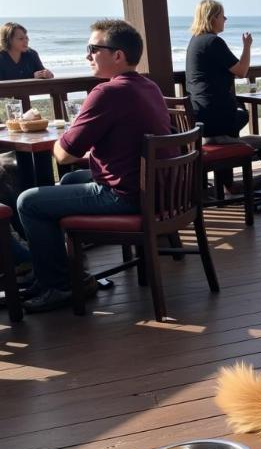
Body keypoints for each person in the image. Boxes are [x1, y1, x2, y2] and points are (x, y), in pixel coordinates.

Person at [16, 19, 172, 313]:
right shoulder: (147, 85)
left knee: (28, 201)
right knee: (70, 182)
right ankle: (67, 275)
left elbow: (63, 154)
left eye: (93, 49)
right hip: (157, 189)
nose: (87, 56)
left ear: (117, 55)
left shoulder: (107, 93)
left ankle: (60, 286)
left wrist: (64, 133)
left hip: (126, 195)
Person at [184, 0, 261, 157]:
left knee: (238, 109)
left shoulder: (195, 41)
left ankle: (220, 139)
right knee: (243, 114)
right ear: (212, 18)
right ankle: (224, 140)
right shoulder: (213, 41)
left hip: (198, 115)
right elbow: (241, 71)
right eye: (222, 16)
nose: (225, 19)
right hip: (214, 117)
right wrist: (247, 46)